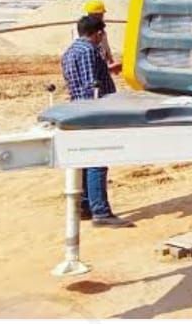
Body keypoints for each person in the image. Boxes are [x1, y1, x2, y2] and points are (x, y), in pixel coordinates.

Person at [62, 15, 133, 228]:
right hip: (91, 112)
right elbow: (91, 85)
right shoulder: (88, 51)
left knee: (84, 160)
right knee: (98, 160)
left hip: (78, 110)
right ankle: (100, 212)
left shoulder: (70, 51)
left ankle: (84, 206)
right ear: (99, 33)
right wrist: (102, 109)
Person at [75, 0, 121, 75]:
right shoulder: (83, 30)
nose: (101, 17)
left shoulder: (102, 31)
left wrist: (111, 60)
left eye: (101, 14)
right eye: (98, 14)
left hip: (101, 63)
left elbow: (106, 46)